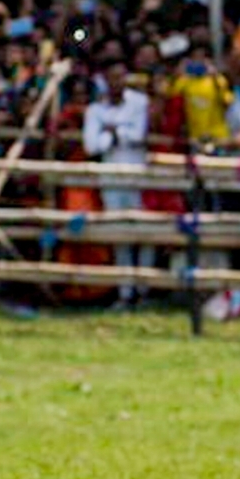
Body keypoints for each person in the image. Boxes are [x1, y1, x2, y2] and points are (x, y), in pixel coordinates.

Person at [83, 59, 153, 308]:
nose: (117, 83)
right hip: (111, 177)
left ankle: (144, 289)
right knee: (119, 235)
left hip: (137, 174)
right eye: (112, 78)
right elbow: (91, 145)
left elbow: (138, 135)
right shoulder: (95, 110)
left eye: (121, 77)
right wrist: (117, 134)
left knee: (144, 232)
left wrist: (113, 132)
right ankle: (125, 292)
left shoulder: (139, 102)